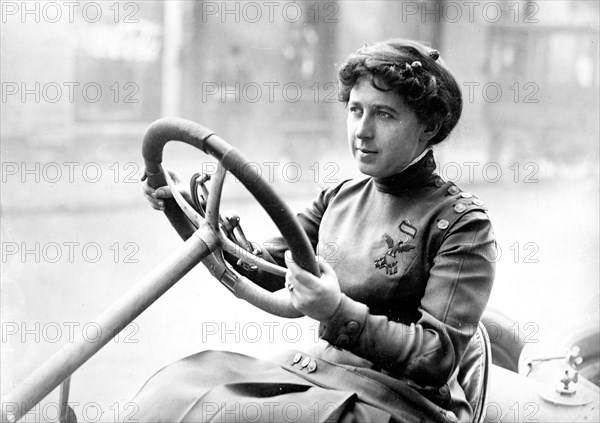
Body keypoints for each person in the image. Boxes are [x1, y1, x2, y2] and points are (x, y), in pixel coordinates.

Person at [138, 39, 495, 423]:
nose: (362, 130)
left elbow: (436, 357)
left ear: (429, 127)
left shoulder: (461, 223)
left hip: (398, 402)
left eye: (385, 115)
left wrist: (336, 311)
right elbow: (260, 267)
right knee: (174, 389)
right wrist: (181, 203)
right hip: (319, 375)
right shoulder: (340, 198)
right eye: (355, 110)